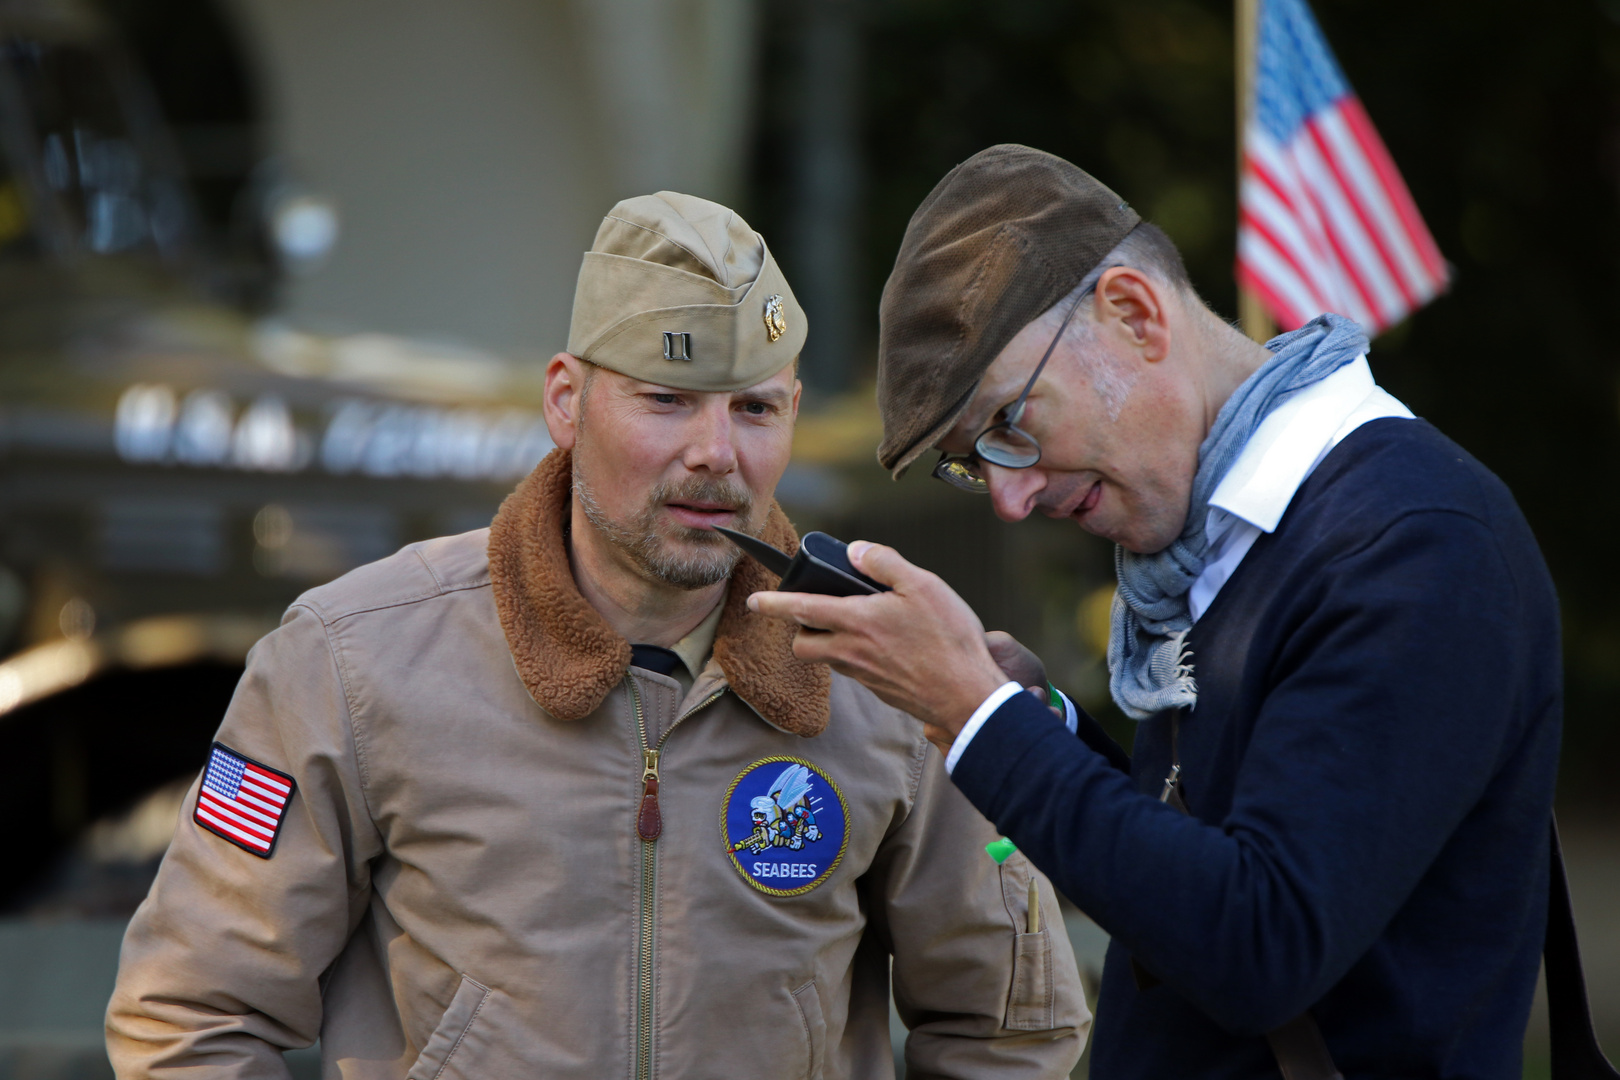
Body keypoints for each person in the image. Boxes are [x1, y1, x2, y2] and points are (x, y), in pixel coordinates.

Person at [106, 191, 1088, 1079]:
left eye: (754, 408)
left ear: (791, 413)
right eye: (667, 400)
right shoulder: (351, 658)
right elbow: (189, 1012)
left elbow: (1012, 1036)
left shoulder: (894, 672)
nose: (716, 454)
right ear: (567, 402)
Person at [750, 145, 1561, 1078]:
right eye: (976, 462)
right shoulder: (1237, 535)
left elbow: (1260, 947)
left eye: (1011, 424)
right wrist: (1040, 723)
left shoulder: (1412, 545)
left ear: (1133, 314)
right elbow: (1199, 860)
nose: (1010, 498)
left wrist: (984, 719)